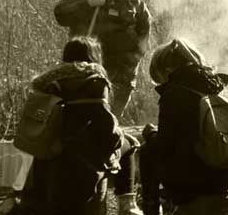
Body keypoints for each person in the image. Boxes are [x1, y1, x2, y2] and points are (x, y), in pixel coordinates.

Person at [16, 37, 142, 215]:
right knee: (131, 143)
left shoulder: (47, 84)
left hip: (50, 155)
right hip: (87, 158)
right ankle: (128, 206)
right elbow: (106, 130)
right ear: (94, 56)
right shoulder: (94, 80)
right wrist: (120, 135)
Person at [139, 39, 228, 215]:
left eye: (159, 79)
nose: (161, 84)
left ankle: (150, 209)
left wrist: (151, 134)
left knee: (146, 151)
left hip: (192, 183)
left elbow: (166, 145)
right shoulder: (215, 85)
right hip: (222, 177)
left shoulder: (174, 94)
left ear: (167, 70)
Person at [54, 0, 151, 118]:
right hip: (87, 71)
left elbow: (145, 22)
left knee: (112, 117)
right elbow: (60, 14)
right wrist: (88, 4)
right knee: (87, 115)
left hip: (122, 71)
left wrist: (138, 54)